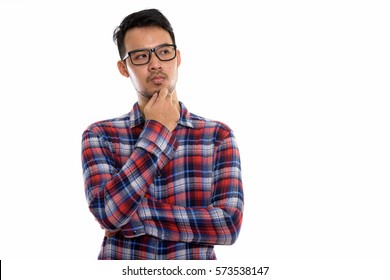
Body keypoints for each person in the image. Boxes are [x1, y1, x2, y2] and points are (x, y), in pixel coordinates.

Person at [81, 8, 244, 260]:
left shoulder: (217, 136)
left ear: (177, 57)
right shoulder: (101, 135)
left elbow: (228, 225)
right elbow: (108, 214)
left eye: (164, 52)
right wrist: (159, 130)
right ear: (123, 68)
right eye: (141, 56)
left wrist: (133, 217)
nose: (155, 63)